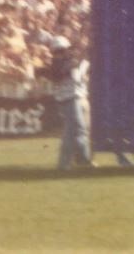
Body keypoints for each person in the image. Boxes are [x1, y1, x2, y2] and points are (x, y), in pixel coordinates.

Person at [43, 37, 95, 171]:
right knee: (74, 130)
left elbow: (78, 76)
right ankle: (64, 163)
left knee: (82, 130)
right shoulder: (58, 64)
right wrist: (76, 64)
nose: (62, 53)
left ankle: (83, 159)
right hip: (70, 99)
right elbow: (60, 74)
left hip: (80, 96)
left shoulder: (69, 61)